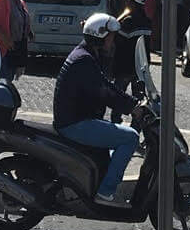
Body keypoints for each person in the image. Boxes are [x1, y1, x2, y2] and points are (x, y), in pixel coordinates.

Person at [54, 13, 142, 204]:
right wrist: (132, 106)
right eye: (110, 36)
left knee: (116, 139)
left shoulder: (88, 55)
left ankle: (102, 181)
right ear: (100, 37)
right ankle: (106, 192)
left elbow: (105, 86)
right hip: (75, 123)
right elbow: (105, 92)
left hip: (79, 118)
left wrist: (130, 102)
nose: (113, 41)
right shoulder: (84, 60)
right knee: (130, 137)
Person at [111, 0, 154, 83]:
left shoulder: (128, 21)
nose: (125, 3)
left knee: (118, 93)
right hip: (142, 66)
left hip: (126, 66)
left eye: (128, 1)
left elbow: (118, 41)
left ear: (133, 3)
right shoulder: (147, 22)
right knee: (139, 95)